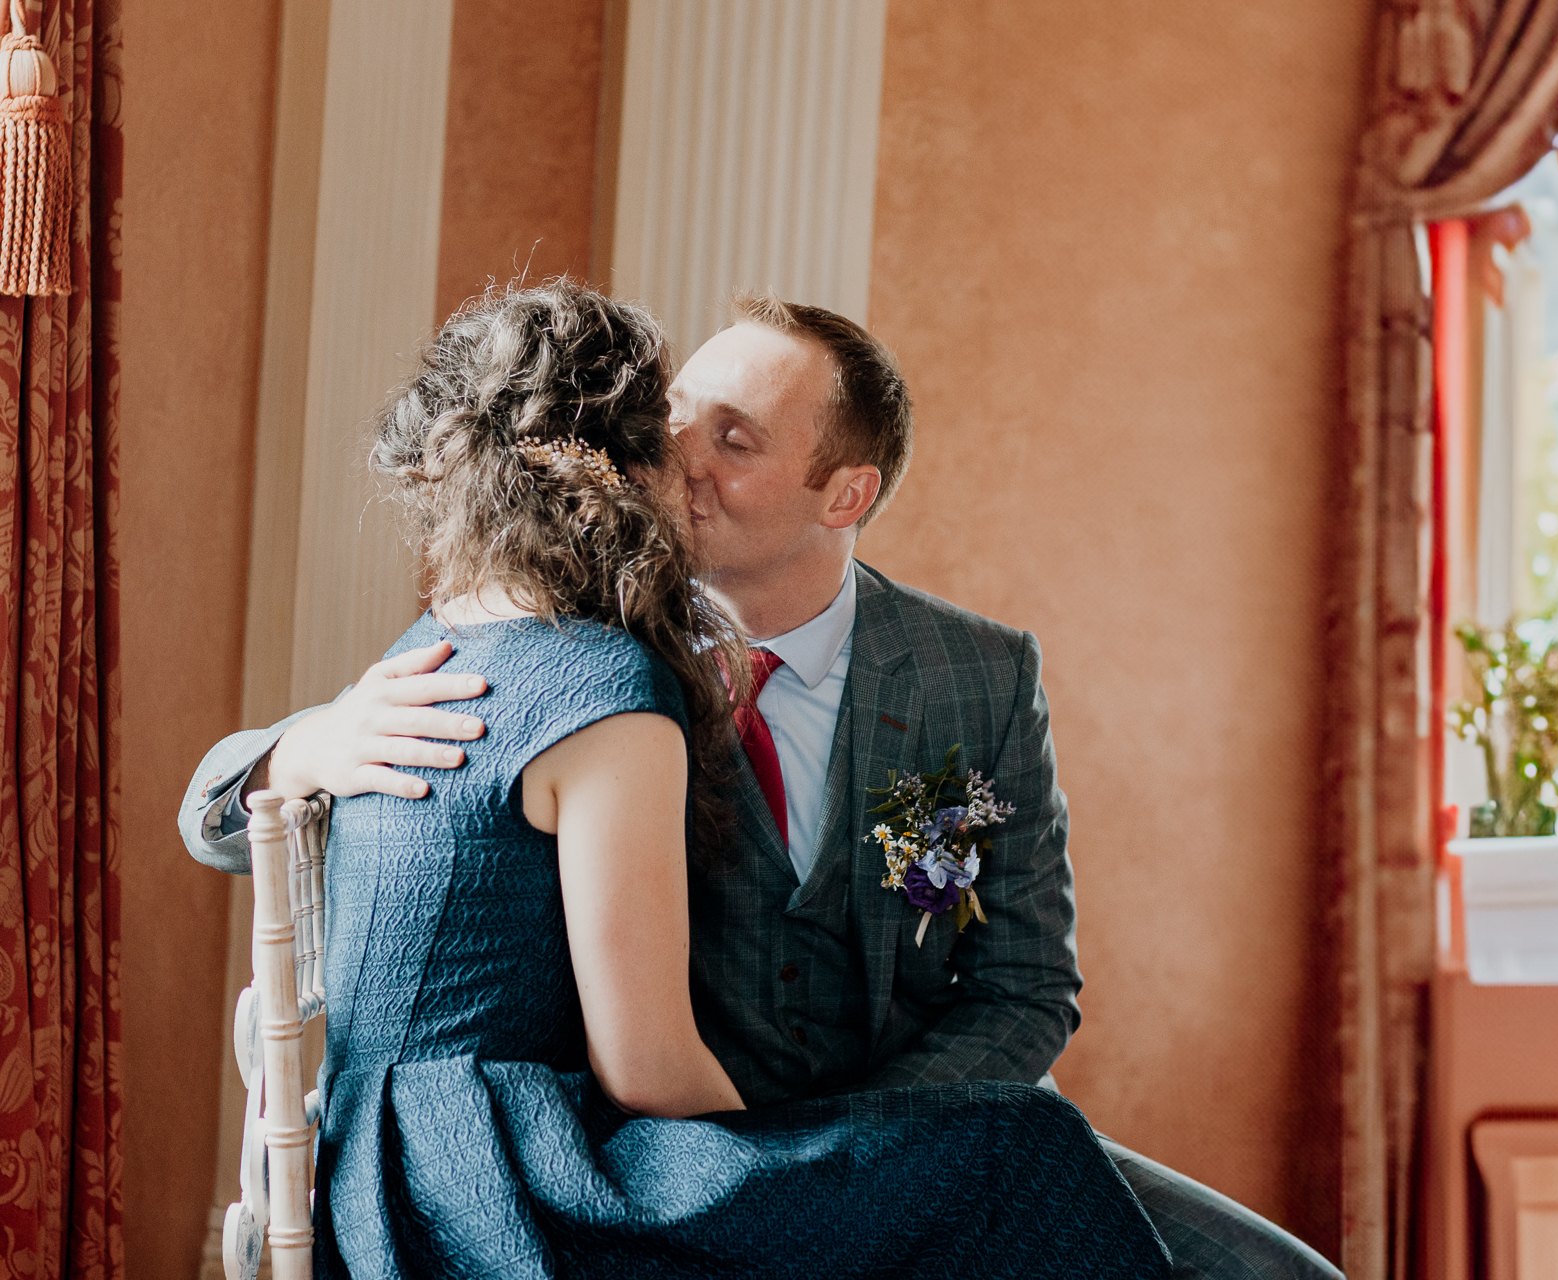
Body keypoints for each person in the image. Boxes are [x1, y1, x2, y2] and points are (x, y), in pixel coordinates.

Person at [182, 289, 1340, 1280]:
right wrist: (301, 746)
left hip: (900, 1133)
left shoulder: (976, 677)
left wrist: (872, 1156)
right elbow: (257, 812)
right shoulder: (589, 653)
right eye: (675, 423)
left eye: (734, 440)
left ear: (844, 493)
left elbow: (1026, 988)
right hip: (668, 1147)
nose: (681, 460)